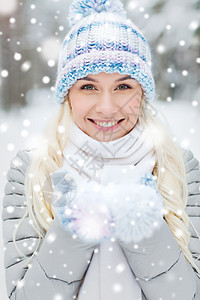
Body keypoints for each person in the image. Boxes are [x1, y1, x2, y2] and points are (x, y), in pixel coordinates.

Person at [2, 0, 200, 299]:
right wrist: (72, 230)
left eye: (123, 87)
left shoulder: (179, 168)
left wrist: (143, 228)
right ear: (67, 95)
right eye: (88, 87)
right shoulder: (32, 169)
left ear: (142, 93)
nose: (107, 108)